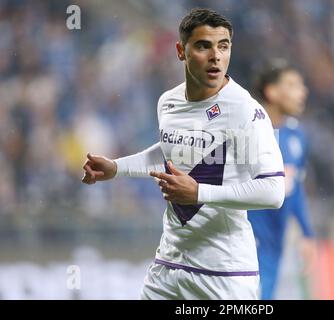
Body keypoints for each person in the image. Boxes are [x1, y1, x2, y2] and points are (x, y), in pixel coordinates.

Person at [81, 8, 285, 300]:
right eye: (204, 46)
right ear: (181, 51)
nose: (216, 56)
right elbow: (171, 153)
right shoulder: (168, 102)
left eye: (223, 46)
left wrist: (199, 192)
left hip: (225, 274)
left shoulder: (245, 111)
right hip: (168, 265)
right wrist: (116, 167)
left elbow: (273, 191)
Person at [247, 61, 316, 300]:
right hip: (244, 242)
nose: (303, 91)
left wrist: (307, 233)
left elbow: (294, 188)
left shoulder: (297, 136)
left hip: (275, 244)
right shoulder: (247, 133)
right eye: (293, 85)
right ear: (272, 92)